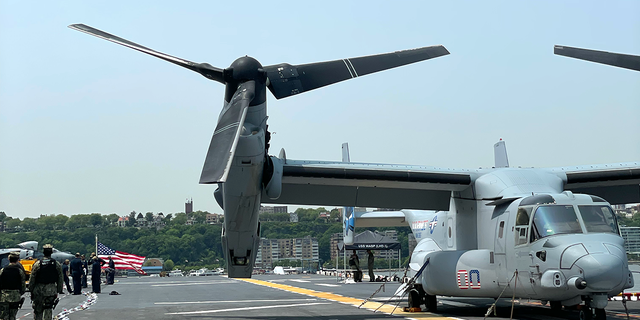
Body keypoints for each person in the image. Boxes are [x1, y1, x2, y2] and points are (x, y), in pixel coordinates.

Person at [29, 244, 63, 320]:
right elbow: (60, 278)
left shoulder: (38, 264)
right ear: (51, 253)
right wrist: (59, 290)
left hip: (38, 290)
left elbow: (32, 278)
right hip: (51, 290)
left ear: (43, 252)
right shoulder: (56, 264)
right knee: (48, 309)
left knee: (38, 311)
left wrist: (31, 290)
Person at [0, 252, 26, 320]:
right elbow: (23, 284)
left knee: (4, 316)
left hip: (4, 296)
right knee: (13, 316)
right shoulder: (20, 271)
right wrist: (20, 293)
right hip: (15, 296)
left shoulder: (3, 270)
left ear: (8, 259)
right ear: (17, 260)